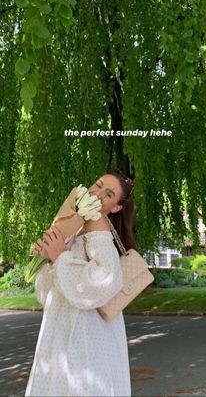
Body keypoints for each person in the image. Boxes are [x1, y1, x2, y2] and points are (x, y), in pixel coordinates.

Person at [25, 168, 137, 397]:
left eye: (109, 194)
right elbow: (45, 294)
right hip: (57, 332)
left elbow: (105, 280)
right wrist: (46, 261)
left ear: (116, 207)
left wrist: (60, 258)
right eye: (97, 185)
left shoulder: (99, 229)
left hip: (87, 336)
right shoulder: (72, 227)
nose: (98, 194)